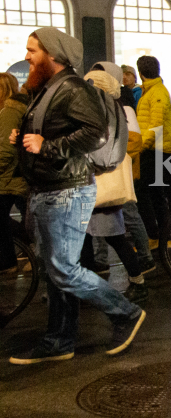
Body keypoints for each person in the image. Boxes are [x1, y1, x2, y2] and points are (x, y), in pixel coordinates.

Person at [9, 28, 144, 364]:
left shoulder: (70, 86)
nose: (27, 56)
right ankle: (59, 339)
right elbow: (56, 130)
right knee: (55, 270)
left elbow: (95, 133)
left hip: (66, 190)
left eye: (32, 51)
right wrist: (24, 137)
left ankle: (125, 313)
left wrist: (47, 146)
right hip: (49, 188)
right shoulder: (49, 88)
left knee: (63, 268)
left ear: (52, 53)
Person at [80, 69, 152, 303]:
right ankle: (87, 285)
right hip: (94, 184)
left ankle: (138, 281)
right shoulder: (109, 112)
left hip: (101, 184)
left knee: (115, 238)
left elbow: (106, 153)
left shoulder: (108, 115)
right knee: (93, 238)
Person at [134, 55, 171, 244]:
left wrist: (142, 145)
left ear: (141, 73)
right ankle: (161, 235)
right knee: (155, 193)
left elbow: (156, 124)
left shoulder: (156, 92)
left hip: (157, 150)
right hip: (157, 149)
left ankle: (157, 235)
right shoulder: (151, 91)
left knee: (150, 193)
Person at [0, 73, 28, 277]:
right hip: (12, 176)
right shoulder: (8, 111)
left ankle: (7, 262)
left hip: (8, 177)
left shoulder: (9, 112)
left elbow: (6, 149)